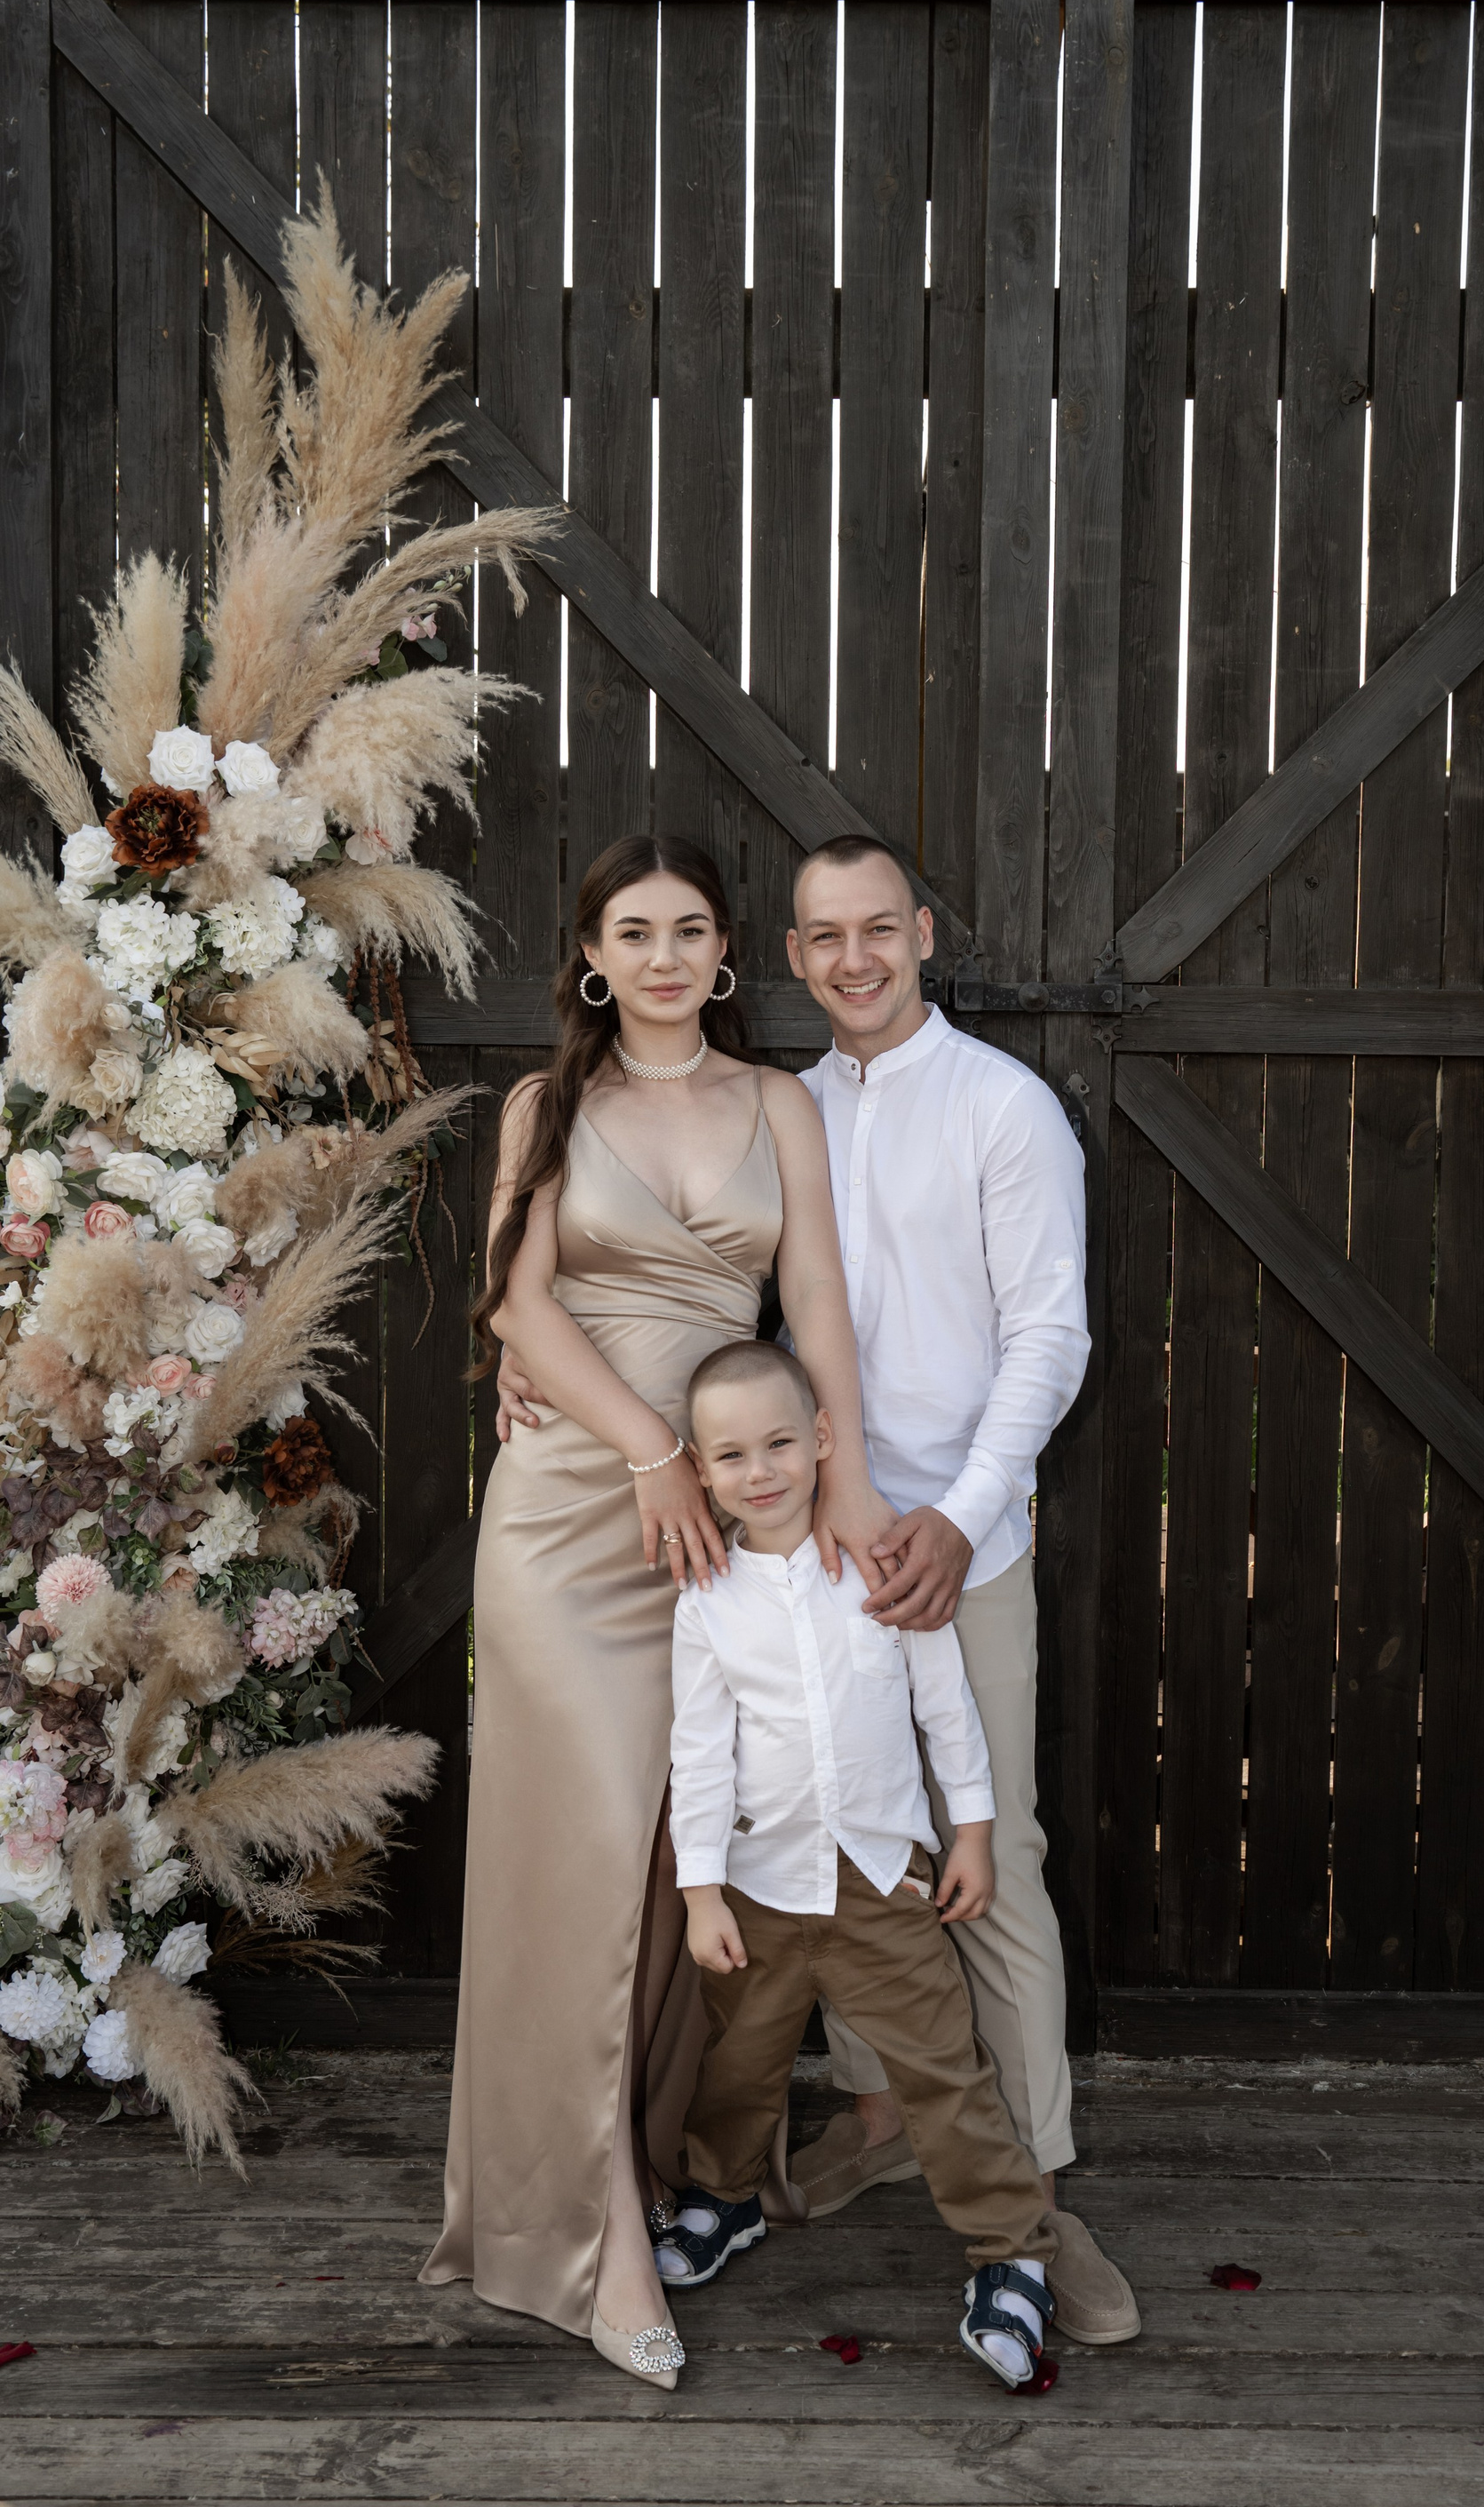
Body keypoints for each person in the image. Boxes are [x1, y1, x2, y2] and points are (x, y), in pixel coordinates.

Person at [497, 829, 1138, 2346]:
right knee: (820, 1830)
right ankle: (877, 2120)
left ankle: (1039, 2195)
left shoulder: (1002, 1107)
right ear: (787, 956)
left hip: (939, 1537)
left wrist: (956, 1520)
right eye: (825, 936)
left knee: (989, 1853)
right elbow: (717, 1306)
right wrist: (528, 1362)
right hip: (781, 1532)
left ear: (924, 933)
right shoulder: (784, 1101)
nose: (854, 958)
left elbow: (1052, 1341)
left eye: (879, 929)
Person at [419, 834, 890, 2389]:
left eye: (691, 930)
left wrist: (839, 1480)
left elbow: (814, 1302)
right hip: (576, 1512)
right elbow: (517, 1300)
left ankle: (664, 2154)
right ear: (592, 959)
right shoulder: (546, 1107)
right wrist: (647, 1447)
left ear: (727, 952)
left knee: (699, 1846)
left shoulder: (778, 1104)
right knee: (581, 1855)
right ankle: (588, 2234)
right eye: (635, 932)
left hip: (726, 1518)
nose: (666, 956)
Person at [654, 1338, 1059, 2391]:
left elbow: (944, 1709)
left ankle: (1012, 2252)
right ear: (700, 1470)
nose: (761, 1471)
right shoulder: (709, 1602)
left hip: (883, 1882)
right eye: (731, 1455)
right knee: (738, 2065)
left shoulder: (876, 1568)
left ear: (823, 1438)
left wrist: (973, 1833)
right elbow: (700, 1756)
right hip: (760, 1887)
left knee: (945, 2072)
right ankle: (724, 2198)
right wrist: (701, 1893)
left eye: (781, 1443)